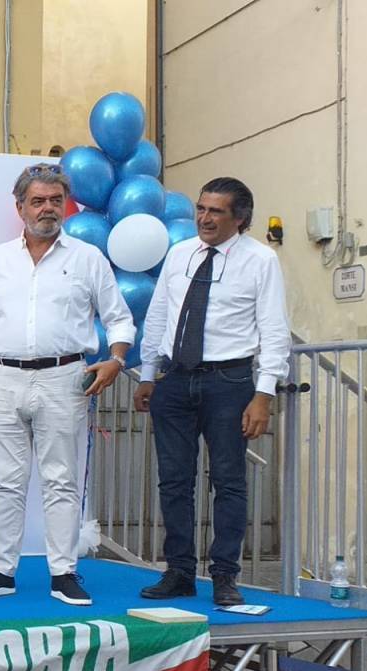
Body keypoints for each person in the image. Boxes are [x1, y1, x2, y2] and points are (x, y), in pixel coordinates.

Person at [0, 163, 135, 607]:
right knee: (5, 481)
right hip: (3, 377)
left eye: (56, 200)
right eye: (38, 201)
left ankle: (64, 573)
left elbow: (119, 318)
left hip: (64, 377)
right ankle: (1, 570)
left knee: (61, 480)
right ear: (20, 207)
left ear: (66, 205)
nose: (47, 209)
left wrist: (116, 360)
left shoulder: (88, 259)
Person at [134, 177, 290, 606]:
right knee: (174, 480)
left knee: (228, 480)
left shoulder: (261, 260)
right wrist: (147, 373)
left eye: (215, 211)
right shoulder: (180, 253)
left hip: (230, 382)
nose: (204, 218)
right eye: (201, 208)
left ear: (239, 218)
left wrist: (264, 394)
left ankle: (224, 576)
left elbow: (274, 330)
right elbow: (159, 314)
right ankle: (179, 571)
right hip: (175, 378)